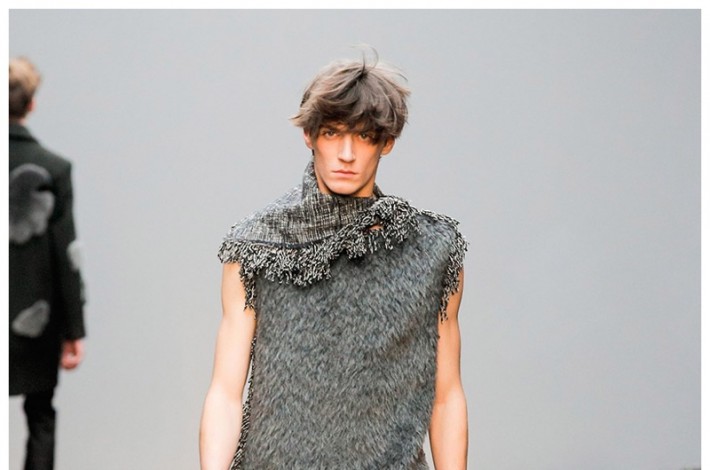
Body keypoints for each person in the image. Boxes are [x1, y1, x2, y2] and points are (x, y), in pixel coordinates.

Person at [200, 52, 468, 469]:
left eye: (364, 136)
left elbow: (446, 396)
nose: (346, 153)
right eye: (331, 132)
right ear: (309, 136)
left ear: (387, 142)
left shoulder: (431, 249)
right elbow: (225, 392)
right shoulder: (256, 246)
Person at [9, 56, 86, 470]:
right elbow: (65, 255)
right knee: (40, 415)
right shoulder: (54, 169)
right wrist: (74, 330)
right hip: (34, 317)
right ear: (32, 103)